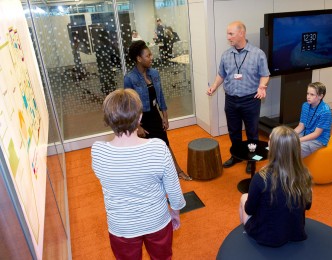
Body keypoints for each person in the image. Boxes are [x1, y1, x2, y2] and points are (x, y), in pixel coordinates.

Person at [91, 89, 186, 259]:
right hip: (157, 221)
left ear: (108, 121)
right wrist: (176, 212)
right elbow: (173, 188)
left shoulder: (98, 152)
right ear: (140, 118)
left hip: (121, 227)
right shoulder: (158, 148)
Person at [207, 21, 270, 173]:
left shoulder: (257, 54)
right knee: (233, 130)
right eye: (227, 34)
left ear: (241, 33)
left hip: (250, 100)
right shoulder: (226, 55)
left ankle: (251, 159)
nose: (228, 37)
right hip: (231, 100)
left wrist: (262, 87)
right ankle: (236, 156)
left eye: (231, 34)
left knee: (251, 131)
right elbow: (221, 74)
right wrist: (214, 86)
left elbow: (265, 74)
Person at [124, 40, 192, 181]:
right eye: (148, 55)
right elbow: (129, 105)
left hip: (154, 115)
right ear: (138, 58)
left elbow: (160, 96)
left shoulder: (154, 73)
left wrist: (165, 116)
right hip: (140, 119)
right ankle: (149, 179)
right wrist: (138, 126)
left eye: (150, 55)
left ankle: (177, 172)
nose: (151, 57)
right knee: (144, 151)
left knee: (164, 144)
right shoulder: (129, 78)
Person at [239, 125, 312, 247]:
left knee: (244, 197)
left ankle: (248, 238)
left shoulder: (260, 178)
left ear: (273, 149)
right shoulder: (305, 175)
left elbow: (249, 209)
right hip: (295, 232)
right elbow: (308, 205)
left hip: (267, 236)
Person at [294, 82, 332, 158]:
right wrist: (288, 135)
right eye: (307, 94)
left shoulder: (325, 111)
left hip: (319, 139)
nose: (308, 97)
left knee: (293, 149)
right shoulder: (305, 105)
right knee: (284, 142)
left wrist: (297, 140)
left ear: (320, 96)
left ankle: (287, 168)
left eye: (312, 95)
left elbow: (316, 134)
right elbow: (301, 126)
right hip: (306, 132)